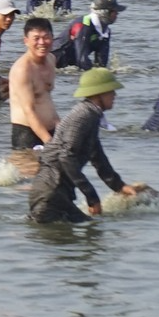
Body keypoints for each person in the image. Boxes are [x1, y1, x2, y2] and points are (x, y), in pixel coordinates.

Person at [28, 68, 140, 223]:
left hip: (54, 192)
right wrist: (91, 196)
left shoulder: (91, 114)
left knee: (89, 228)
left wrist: (119, 186)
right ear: (98, 94)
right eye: (111, 91)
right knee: (91, 230)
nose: (115, 95)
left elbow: (97, 156)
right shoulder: (83, 115)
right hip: (51, 193)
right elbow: (66, 156)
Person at [7, 16, 60, 149]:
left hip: (51, 131)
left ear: (52, 38)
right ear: (26, 41)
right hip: (26, 134)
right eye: (36, 38)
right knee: (31, 169)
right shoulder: (22, 70)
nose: (42, 42)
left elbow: (46, 100)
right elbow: (29, 111)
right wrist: (49, 142)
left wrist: (61, 131)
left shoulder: (51, 59)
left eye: (46, 37)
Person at [62, 0, 121, 70]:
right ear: (104, 12)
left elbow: (102, 63)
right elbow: (82, 60)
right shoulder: (83, 26)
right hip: (56, 61)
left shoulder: (106, 32)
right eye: (114, 11)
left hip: (72, 64)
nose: (117, 14)